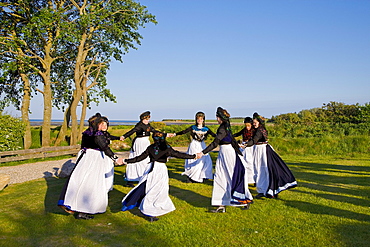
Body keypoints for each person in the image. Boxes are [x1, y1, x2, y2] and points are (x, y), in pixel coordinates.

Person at [58, 113, 124, 220]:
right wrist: (116, 158)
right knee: (92, 184)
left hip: (87, 158)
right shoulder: (97, 135)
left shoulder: (88, 132)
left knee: (83, 182)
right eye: (101, 124)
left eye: (104, 124)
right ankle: (84, 209)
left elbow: (86, 146)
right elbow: (105, 148)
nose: (104, 126)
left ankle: (81, 207)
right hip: (94, 159)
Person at [121, 131, 196, 222]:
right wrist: (194, 156)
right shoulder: (166, 148)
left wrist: (126, 161)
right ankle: (151, 211)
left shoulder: (150, 148)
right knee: (158, 190)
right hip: (160, 170)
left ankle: (150, 210)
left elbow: (138, 158)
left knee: (150, 189)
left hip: (150, 169)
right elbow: (179, 155)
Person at [197, 107, 253, 213]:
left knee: (230, 176)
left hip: (227, 154)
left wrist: (202, 152)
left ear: (220, 117)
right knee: (220, 176)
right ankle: (221, 204)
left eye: (217, 117)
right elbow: (232, 140)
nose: (216, 119)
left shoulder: (223, 128)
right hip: (225, 153)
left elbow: (215, 143)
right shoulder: (226, 126)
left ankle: (244, 199)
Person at [245, 112, 297, 199]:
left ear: (259, 122)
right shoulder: (261, 129)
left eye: (255, 123)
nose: (253, 124)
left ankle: (264, 190)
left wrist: (246, 145)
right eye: (253, 123)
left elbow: (254, 140)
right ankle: (266, 189)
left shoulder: (259, 130)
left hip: (261, 150)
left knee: (261, 169)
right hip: (262, 148)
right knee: (263, 170)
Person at [169, 111, 216, 183]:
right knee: (192, 159)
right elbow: (184, 131)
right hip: (194, 145)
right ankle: (191, 177)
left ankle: (201, 176)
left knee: (205, 160)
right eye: (198, 119)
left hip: (202, 145)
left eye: (201, 119)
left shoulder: (206, 129)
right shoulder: (193, 128)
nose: (199, 120)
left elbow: (215, 136)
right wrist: (175, 134)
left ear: (203, 119)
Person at [121, 111, 157, 187]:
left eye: (148, 119)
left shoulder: (148, 125)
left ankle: (142, 176)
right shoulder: (139, 126)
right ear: (142, 119)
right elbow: (132, 131)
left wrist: (165, 134)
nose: (147, 121)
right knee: (137, 158)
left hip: (146, 142)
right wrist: (124, 136)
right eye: (146, 119)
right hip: (139, 143)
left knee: (146, 159)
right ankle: (131, 178)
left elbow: (154, 131)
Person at [233, 117, 256, 185]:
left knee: (250, 163)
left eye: (248, 126)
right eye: (246, 126)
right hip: (243, 147)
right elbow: (238, 134)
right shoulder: (244, 130)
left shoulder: (254, 131)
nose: (247, 127)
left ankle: (253, 179)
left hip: (250, 147)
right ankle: (245, 178)